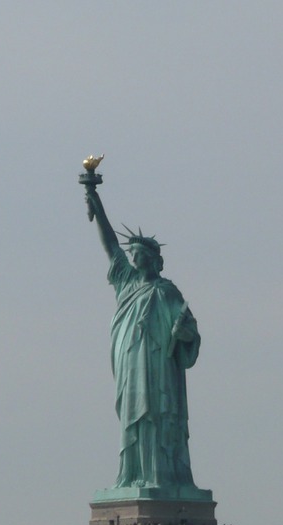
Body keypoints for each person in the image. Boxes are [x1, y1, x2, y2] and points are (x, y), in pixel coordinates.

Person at [83, 177, 202, 494]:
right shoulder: (125, 282)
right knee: (133, 416)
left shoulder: (166, 291)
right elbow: (110, 245)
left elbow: (189, 330)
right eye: (132, 254)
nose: (133, 258)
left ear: (153, 260)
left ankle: (161, 475)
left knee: (158, 415)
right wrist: (96, 202)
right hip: (130, 363)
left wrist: (183, 332)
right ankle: (132, 474)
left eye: (139, 255)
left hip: (159, 367)